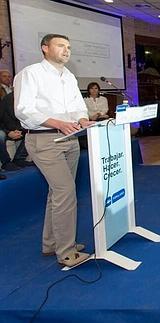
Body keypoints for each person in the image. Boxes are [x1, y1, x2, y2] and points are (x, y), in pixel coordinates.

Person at [14, 34, 94, 267]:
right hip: (44, 140)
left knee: (57, 194)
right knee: (65, 191)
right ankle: (66, 251)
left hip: (70, 139)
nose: (67, 50)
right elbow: (23, 110)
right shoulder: (30, 74)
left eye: (69, 47)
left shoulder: (68, 76)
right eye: (61, 46)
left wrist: (82, 119)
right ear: (45, 48)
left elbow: (78, 105)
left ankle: (51, 243)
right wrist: (58, 123)